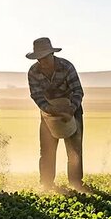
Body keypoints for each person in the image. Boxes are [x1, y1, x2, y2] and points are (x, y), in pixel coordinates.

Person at [26, 37, 87, 192]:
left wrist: (70, 110)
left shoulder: (67, 66)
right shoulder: (33, 71)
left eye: (45, 57)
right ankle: (46, 184)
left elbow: (78, 91)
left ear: (52, 54)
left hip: (72, 109)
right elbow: (37, 95)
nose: (42, 61)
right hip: (48, 113)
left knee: (74, 149)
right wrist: (49, 110)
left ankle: (76, 183)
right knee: (47, 149)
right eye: (39, 58)